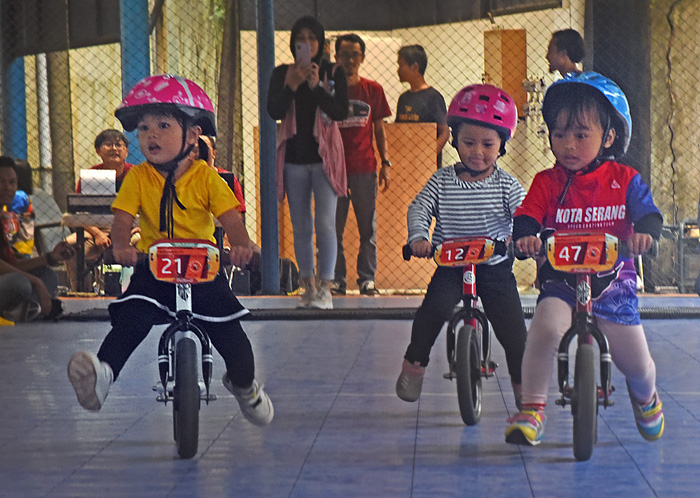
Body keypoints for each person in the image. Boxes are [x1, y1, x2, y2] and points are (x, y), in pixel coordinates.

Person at [67, 75, 273, 427]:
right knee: (131, 318)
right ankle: (102, 376)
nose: (151, 135)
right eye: (144, 128)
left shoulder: (208, 178)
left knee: (231, 334)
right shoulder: (137, 178)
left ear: (192, 135)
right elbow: (122, 219)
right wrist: (120, 247)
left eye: (163, 125)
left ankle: (246, 387)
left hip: (203, 269)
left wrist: (239, 245)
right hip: (154, 266)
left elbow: (231, 218)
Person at [505, 72, 665, 446]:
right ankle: (532, 408)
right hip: (561, 281)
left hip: (613, 284)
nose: (568, 145)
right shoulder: (546, 181)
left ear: (608, 137)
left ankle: (646, 397)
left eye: (581, 134)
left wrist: (645, 234)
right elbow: (527, 214)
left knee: (636, 364)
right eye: (559, 135)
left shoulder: (624, 178)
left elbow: (649, 215)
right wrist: (526, 236)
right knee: (544, 329)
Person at [395, 84, 527, 408]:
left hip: (494, 269)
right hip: (452, 268)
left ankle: (527, 394)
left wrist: (522, 238)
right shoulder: (441, 180)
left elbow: (525, 212)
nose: (477, 152)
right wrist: (419, 238)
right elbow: (420, 207)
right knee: (430, 314)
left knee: (515, 333)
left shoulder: (506, 185)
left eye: (487, 144)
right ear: (454, 139)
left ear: (502, 146)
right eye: (468, 142)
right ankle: (415, 365)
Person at [267, 16, 349, 309]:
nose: (307, 44)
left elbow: (340, 112)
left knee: (326, 224)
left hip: (325, 160)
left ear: (321, 42)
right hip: (293, 160)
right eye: (300, 38)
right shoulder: (282, 73)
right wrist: (291, 85)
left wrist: (316, 87)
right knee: (301, 225)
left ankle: (326, 288)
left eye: (312, 38)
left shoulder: (333, 72)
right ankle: (308, 287)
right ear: (293, 43)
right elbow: (273, 110)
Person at [332, 33, 392, 296]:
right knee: (332, 227)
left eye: (355, 54)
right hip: (333, 171)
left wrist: (386, 163)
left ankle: (367, 279)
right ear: (336, 58)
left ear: (363, 58)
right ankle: (336, 280)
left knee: (367, 227)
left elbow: (379, 128)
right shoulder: (327, 91)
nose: (350, 60)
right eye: (345, 54)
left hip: (365, 168)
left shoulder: (373, 90)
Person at [0, 157, 74, 322]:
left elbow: (11, 264)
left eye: (12, 182)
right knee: (21, 283)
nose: (7, 187)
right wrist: (36, 283)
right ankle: (33, 308)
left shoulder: (5, 215)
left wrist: (50, 257)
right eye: (2, 182)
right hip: (10, 282)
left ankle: (20, 311)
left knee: (48, 276)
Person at [66, 129, 137, 291]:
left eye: (119, 144)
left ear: (126, 151)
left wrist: (139, 227)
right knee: (71, 247)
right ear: (98, 151)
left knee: (145, 245)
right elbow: (79, 213)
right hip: (96, 228)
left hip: (131, 228)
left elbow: (148, 208)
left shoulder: (136, 175)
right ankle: (82, 294)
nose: (114, 148)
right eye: (108, 144)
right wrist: (97, 233)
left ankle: (140, 293)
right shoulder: (90, 175)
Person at [395, 45, 449, 169]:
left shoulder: (433, 97)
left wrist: (428, 157)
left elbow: (444, 132)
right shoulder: (403, 98)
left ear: (414, 67)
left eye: (401, 65)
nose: (398, 70)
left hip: (426, 167)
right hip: (405, 163)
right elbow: (399, 130)